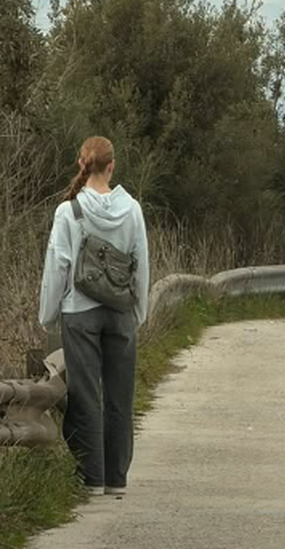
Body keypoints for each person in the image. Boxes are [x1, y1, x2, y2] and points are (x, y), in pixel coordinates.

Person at [39, 136, 149, 496]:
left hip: (80, 314)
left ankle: (91, 479)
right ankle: (117, 479)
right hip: (120, 314)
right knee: (120, 397)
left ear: (80, 164)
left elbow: (58, 267)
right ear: (112, 165)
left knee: (85, 396)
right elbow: (141, 265)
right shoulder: (132, 208)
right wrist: (138, 312)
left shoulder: (68, 211)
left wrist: (48, 315)